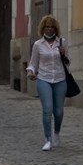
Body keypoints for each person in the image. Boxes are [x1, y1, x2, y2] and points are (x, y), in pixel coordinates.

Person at [25, 14, 69, 151]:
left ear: (55, 29)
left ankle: (56, 132)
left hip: (60, 79)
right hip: (44, 79)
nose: (49, 29)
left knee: (59, 111)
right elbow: (33, 63)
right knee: (47, 109)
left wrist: (64, 53)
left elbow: (68, 62)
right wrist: (30, 71)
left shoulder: (61, 42)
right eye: (47, 27)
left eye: (51, 27)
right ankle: (47, 139)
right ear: (43, 28)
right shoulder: (38, 45)